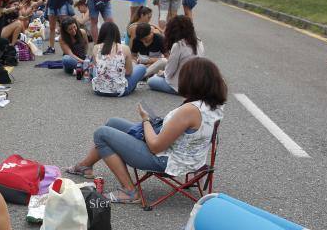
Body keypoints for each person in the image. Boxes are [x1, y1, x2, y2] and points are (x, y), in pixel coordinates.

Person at [67, 58, 225, 204]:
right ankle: (84, 166)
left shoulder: (190, 110)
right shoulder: (213, 105)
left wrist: (146, 119)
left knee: (102, 134)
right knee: (112, 123)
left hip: (166, 160)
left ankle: (129, 191)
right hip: (190, 158)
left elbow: (155, 147)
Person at [148, 15, 204, 94]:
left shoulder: (178, 45)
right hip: (194, 84)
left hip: (179, 86)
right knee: (163, 61)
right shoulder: (199, 41)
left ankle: (143, 75)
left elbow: (170, 71)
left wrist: (162, 74)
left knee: (152, 80)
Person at [91, 22, 146, 97]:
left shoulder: (96, 47)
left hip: (98, 90)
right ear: (116, 34)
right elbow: (129, 72)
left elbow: (96, 66)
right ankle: (128, 85)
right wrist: (116, 71)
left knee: (95, 68)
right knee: (141, 67)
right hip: (119, 90)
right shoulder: (125, 48)